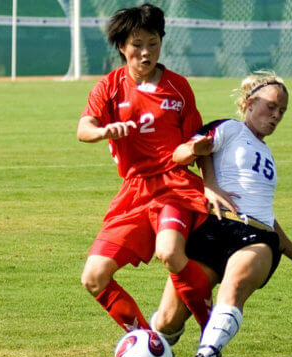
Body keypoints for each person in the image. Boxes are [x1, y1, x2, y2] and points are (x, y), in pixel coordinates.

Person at [150, 71, 292, 357]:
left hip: (257, 238)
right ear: (250, 103)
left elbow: (267, 218)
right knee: (168, 321)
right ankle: (153, 348)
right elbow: (181, 154)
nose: (276, 116)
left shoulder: (267, 155)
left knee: (233, 287)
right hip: (213, 232)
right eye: (271, 107)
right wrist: (200, 154)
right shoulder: (229, 129)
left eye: (282, 111)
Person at [77, 3, 215, 338]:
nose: (145, 52)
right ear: (122, 47)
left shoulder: (179, 87)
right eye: (137, 44)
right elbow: (84, 128)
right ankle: (144, 339)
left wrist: (210, 186)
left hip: (175, 186)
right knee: (94, 276)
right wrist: (102, 132)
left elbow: (198, 145)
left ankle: (212, 333)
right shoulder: (108, 87)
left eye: (153, 43)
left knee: (169, 252)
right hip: (134, 191)